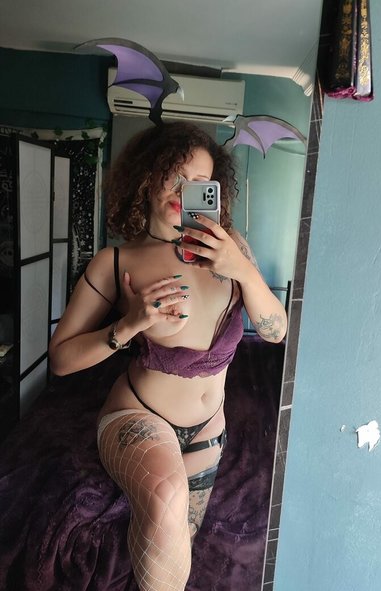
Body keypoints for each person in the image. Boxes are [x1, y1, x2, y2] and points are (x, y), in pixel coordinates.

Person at [49, 121, 287, 591]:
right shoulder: (116, 261)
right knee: (166, 493)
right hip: (138, 415)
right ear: (146, 177)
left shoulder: (232, 250)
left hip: (208, 429)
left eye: (199, 183)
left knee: (178, 536)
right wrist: (128, 324)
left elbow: (275, 332)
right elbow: (61, 360)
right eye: (174, 177)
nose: (185, 192)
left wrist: (243, 271)